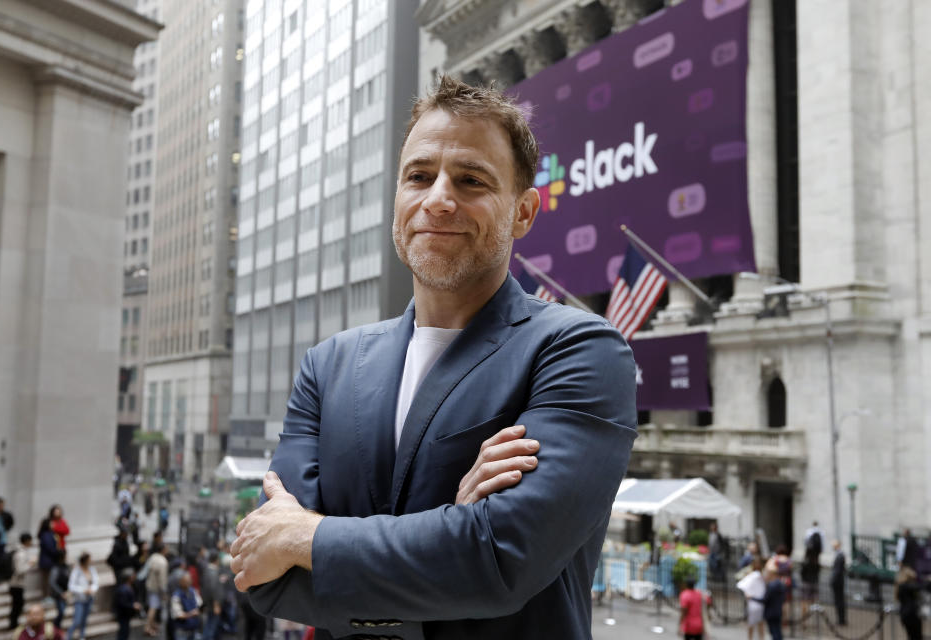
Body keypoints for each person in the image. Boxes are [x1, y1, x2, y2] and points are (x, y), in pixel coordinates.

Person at [229, 76, 637, 639]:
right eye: (419, 176)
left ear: (523, 213)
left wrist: (308, 538)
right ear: (397, 197)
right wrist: (454, 531)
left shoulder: (579, 351)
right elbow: (265, 578)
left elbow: (500, 559)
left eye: (471, 180)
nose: (438, 198)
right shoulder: (327, 367)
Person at [67, 551, 99, 640]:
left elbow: (96, 582)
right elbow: (71, 586)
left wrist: (92, 589)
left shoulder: (92, 569)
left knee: (84, 619)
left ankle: (82, 636)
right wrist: (83, 590)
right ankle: (68, 636)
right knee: (77, 620)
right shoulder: (76, 571)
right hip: (79, 599)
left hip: (89, 598)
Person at [7, 532, 34, 629]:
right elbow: (20, 570)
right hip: (16, 584)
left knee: (18, 605)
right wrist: (30, 564)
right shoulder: (20, 554)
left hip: (17, 584)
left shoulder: (21, 552)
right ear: (27, 541)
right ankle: (13, 624)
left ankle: (13, 623)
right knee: (17, 605)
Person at [753, 565, 786, 640]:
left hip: (771, 612)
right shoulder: (781, 584)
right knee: (778, 632)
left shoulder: (771, 585)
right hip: (778, 611)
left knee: (774, 632)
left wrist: (752, 598)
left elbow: (764, 600)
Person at [736, 557, 766, 640]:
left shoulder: (753, 575)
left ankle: (751, 638)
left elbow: (742, 585)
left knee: (752, 623)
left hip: (753, 602)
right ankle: (760, 638)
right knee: (760, 623)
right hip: (759, 602)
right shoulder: (761, 576)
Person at [144, 544, 169, 637]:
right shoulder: (163, 562)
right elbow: (162, 580)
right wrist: (164, 592)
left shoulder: (153, 557)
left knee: (152, 606)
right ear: (163, 550)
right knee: (153, 608)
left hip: (149, 584)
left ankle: (152, 624)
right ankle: (147, 627)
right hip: (156, 588)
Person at [170, 573, 203, 640]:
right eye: (186, 581)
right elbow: (178, 615)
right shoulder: (176, 596)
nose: (188, 583)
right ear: (181, 582)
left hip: (193, 628)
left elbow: (200, 604)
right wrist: (191, 614)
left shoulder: (192, 591)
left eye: (189, 580)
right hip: (182, 629)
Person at [200, 549, 224, 640]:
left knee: (210, 625)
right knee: (210, 628)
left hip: (208, 602)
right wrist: (216, 604)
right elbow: (213, 589)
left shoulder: (207, 570)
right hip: (213, 604)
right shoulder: (213, 572)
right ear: (217, 560)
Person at [895, 566, 922, 640]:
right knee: (915, 636)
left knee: (913, 636)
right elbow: (918, 586)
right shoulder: (904, 586)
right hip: (910, 615)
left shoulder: (901, 585)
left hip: (906, 615)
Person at [114, 568, 141, 640]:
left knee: (125, 632)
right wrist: (133, 606)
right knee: (123, 633)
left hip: (126, 615)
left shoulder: (129, 587)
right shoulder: (123, 589)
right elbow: (122, 603)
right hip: (123, 615)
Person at [48, 550, 71, 631]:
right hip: (58, 594)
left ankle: (56, 628)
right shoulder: (55, 568)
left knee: (62, 611)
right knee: (61, 612)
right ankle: (55, 627)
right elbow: (52, 582)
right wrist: (61, 593)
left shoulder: (66, 567)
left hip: (65, 593)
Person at [830, 539, 847, 626]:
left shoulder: (840, 555)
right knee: (838, 600)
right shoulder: (839, 555)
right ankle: (840, 619)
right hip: (838, 581)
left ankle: (841, 620)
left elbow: (838, 570)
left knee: (839, 600)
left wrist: (833, 580)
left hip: (838, 582)